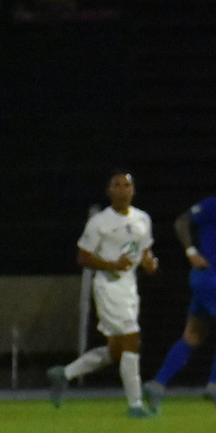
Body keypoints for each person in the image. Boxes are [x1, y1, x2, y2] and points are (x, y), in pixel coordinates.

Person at [146, 164, 216, 413]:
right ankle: (215, 385)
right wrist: (191, 252)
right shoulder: (214, 205)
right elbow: (182, 222)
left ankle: (157, 384)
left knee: (194, 335)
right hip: (207, 276)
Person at [48, 171, 158, 417]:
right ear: (109, 191)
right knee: (133, 340)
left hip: (129, 287)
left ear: (133, 190)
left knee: (116, 351)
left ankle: (64, 374)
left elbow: (144, 251)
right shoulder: (100, 222)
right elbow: (82, 256)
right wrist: (111, 265)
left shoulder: (143, 219)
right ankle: (136, 405)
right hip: (108, 287)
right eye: (116, 185)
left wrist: (150, 263)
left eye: (126, 185)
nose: (122, 190)